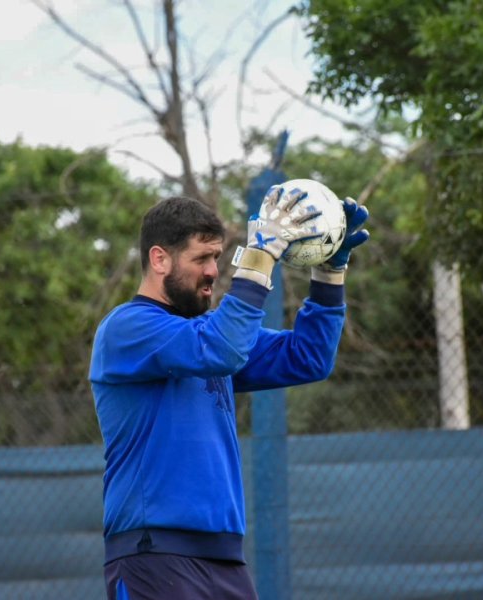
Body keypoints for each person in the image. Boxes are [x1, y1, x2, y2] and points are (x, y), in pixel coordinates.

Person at [89, 184, 370, 600]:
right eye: (201, 258)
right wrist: (261, 256)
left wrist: (329, 272)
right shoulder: (127, 328)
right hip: (155, 555)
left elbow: (309, 357)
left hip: (224, 560)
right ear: (159, 259)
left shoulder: (210, 337)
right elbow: (221, 347)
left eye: (217, 258)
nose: (213, 271)